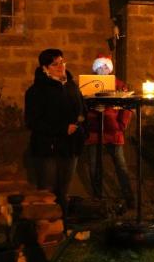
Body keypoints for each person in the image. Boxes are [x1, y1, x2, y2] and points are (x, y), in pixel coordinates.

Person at [24, 48, 87, 220]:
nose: (60, 67)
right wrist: (62, 129)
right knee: (48, 190)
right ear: (45, 68)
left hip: (70, 146)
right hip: (48, 147)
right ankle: (46, 224)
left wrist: (82, 127)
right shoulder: (36, 91)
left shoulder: (71, 86)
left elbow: (82, 109)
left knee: (64, 189)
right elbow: (33, 122)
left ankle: (62, 224)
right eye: (55, 64)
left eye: (62, 62)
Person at [85, 54, 134, 209]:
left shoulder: (119, 85)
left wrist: (121, 125)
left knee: (121, 165)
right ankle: (98, 199)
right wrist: (92, 111)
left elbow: (127, 106)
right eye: (100, 66)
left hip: (113, 131)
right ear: (96, 68)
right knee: (94, 166)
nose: (103, 69)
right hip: (94, 131)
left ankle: (129, 198)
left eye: (106, 66)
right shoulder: (88, 84)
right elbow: (81, 105)